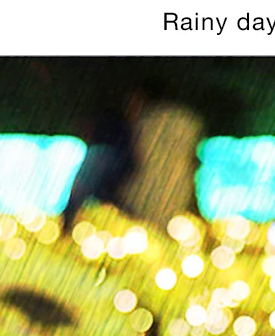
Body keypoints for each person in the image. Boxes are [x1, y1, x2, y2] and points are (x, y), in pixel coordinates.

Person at [116, 79, 206, 232]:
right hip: (177, 197)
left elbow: (135, 160)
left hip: (145, 200)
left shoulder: (144, 124)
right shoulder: (189, 121)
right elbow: (193, 162)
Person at [60, 90, 143, 233]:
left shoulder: (100, 154)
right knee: (105, 196)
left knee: (87, 190)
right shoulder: (121, 130)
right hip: (116, 164)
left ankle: (67, 227)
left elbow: (79, 190)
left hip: (108, 160)